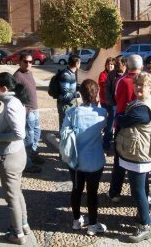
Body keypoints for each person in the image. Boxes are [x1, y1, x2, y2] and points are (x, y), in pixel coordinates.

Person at [115, 72, 151, 243]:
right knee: (142, 189)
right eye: (137, 84)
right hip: (139, 151)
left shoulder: (143, 107)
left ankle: (145, 225)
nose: (139, 88)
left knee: (138, 191)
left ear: (150, 87)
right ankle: (143, 215)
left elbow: (125, 120)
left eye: (143, 85)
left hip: (139, 154)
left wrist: (119, 117)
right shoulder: (143, 102)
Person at [61, 79, 107, 236]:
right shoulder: (102, 113)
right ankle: (92, 225)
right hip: (95, 160)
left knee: (76, 190)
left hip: (76, 160)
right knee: (92, 193)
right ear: (96, 94)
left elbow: (64, 134)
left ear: (81, 94)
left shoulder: (71, 113)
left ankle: (76, 221)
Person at [0, 72, 31, 245]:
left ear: (4, 88)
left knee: (11, 197)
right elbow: (7, 123)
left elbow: (19, 133)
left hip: (11, 156)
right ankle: (24, 225)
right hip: (16, 153)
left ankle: (18, 234)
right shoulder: (12, 102)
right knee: (17, 192)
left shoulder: (12, 104)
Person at [107, 54, 143, 202]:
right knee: (141, 162)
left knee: (119, 161)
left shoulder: (121, 81)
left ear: (127, 66)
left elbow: (116, 98)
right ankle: (142, 194)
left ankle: (115, 193)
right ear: (141, 66)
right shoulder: (146, 81)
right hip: (141, 127)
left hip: (122, 125)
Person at [14, 53, 43, 174]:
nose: (28, 64)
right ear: (20, 62)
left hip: (35, 109)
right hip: (28, 110)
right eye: (25, 61)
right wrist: (24, 109)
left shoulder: (29, 73)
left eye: (30, 62)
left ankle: (33, 154)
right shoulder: (17, 76)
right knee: (29, 137)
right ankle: (27, 163)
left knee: (37, 133)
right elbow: (14, 96)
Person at [103, 55, 126, 152]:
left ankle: (121, 145)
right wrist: (111, 103)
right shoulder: (112, 74)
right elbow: (107, 90)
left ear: (124, 64)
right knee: (110, 125)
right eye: (115, 63)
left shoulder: (128, 74)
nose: (116, 65)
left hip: (125, 106)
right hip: (114, 105)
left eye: (118, 64)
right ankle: (106, 144)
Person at [57, 54, 81, 129]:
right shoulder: (66, 75)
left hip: (70, 104)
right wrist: (76, 95)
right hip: (65, 106)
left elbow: (70, 87)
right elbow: (65, 96)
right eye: (80, 62)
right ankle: (63, 140)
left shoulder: (71, 73)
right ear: (77, 63)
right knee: (65, 127)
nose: (80, 64)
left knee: (70, 126)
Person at [98, 57, 115, 150]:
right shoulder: (103, 74)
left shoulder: (116, 74)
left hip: (113, 102)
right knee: (108, 121)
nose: (110, 66)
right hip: (105, 101)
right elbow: (103, 85)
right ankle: (106, 141)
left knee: (111, 121)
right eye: (108, 64)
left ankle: (109, 138)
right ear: (106, 65)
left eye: (112, 64)